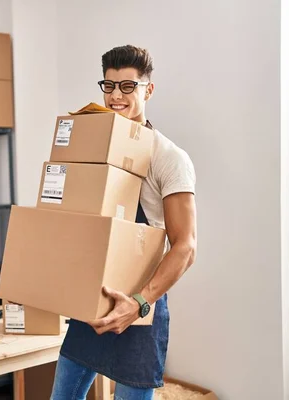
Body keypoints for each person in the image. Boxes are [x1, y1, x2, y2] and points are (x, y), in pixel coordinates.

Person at [50, 45, 198, 400]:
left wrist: (139, 303)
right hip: (94, 298)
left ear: (148, 89)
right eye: (109, 85)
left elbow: (186, 246)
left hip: (141, 305)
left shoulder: (169, 158)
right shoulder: (95, 144)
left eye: (128, 87)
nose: (116, 96)